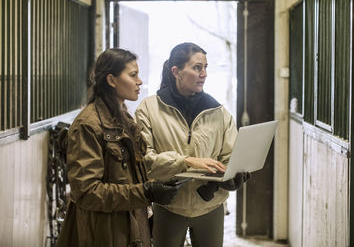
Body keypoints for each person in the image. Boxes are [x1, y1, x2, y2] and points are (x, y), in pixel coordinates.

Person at [56, 48, 179, 247]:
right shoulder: (88, 125)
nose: (139, 81)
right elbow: (87, 192)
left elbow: (131, 176)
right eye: (133, 75)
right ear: (112, 80)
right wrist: (145, 192)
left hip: (131, 229)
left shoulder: (124, 119)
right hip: (104, 234)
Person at [135, 42, 250, 247]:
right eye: (197, 67)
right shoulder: (149, 108)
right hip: (168, 205)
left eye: (206, 67)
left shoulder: (218, 112)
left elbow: (229, 155)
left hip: (210, 205)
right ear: (176, 71)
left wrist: (232, 174)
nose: (204, 73)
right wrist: (185, 161)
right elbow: (145, 159)